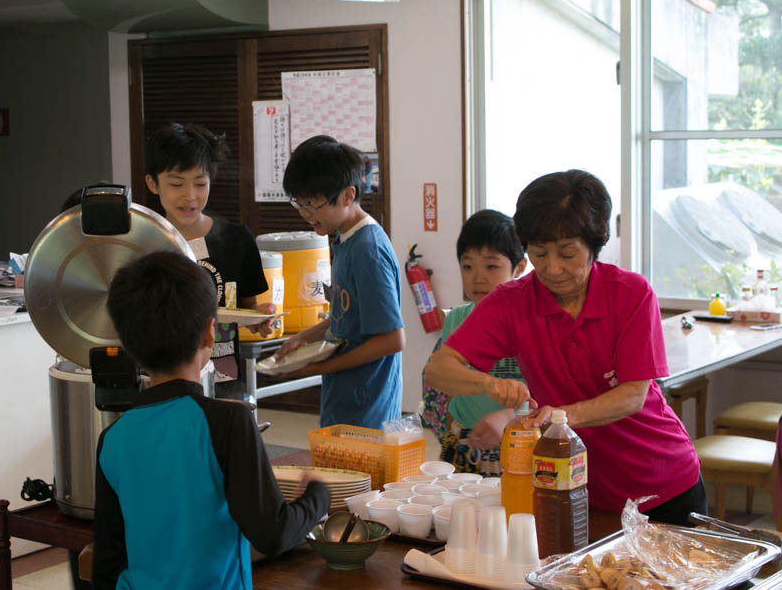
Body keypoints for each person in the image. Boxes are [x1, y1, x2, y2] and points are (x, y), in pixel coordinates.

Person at [425, 170, 704, 524]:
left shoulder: (630, 294)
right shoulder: (513, 302)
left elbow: (633, 395)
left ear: (594, 245)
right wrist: (488, 384)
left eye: (568, 254)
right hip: (574, 487)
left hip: (660, 482)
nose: (552, 268)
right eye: (539, 253)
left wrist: (559, 417)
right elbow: (439, 369)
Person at [93, 250, 330, 589]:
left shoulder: (112, 438)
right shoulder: (228, 421)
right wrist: (319, 494)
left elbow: (107, 564)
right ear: (209, 334)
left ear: (127, 344)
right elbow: (273, 533)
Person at [274, 135, 405, 429]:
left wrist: (320, 367)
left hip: (367, 405)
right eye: (300, 203)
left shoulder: (368, 250)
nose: (306, 214)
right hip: (346, 396)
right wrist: (304, 337)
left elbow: (392, 339)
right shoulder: (345, 239)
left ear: (347, 195)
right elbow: (347, 316)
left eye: (313, 204)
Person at [145, 123, 274, 398]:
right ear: (153, 183)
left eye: (200, 183)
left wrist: (259, 318)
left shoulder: (237, 240)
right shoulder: (144, 244)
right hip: (160, 384)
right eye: (176, 184)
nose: (190, 196)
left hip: (223, 380)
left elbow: (247, 310)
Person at [421, 209, 527, 476]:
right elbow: (443, 384)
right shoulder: (456, 319)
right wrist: (451, 430)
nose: (478, 278)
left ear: (519, 268)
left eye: (491, 267)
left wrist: (510, 417)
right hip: (466, 440)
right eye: (468, 267)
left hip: (520, 436)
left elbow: (547, 393)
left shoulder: (531, 322)